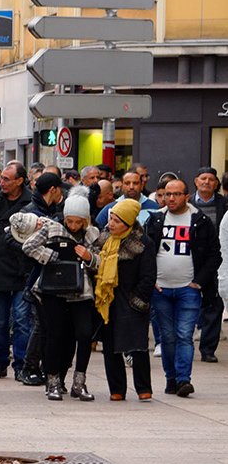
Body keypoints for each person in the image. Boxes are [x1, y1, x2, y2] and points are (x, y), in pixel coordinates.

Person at [14, 197, 100, 401]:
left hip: (81, 291)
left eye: (78, 222)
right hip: (53, 289)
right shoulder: (52, 228)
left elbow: (100, 261)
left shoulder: (92, 233)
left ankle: (79, 381)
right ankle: (52, 381)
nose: (74, 225)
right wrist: (51, 256)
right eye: (70, 221)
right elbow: (29, 246)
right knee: (54, 335)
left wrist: (89, 257)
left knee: (84, 334)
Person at [146, 176, 221, 397]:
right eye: (167, 194)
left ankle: (183, 380)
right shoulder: (156, 219)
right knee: (167, 337)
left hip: (189, 289)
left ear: (186, 196)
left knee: (184, 335)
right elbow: (145, 252)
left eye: (176, 194)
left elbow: (214, 255)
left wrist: (199, 282)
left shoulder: (200, 220)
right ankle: (171, 378)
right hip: (161, 289)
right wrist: (151, 280)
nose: (170, 198)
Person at [94, 198, 157, 401]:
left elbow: (148, 276)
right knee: (110, 347)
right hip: (109, 299)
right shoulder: (103, 239)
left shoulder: (143, 243)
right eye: (111, 218)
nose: (111, 224)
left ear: (129, 223)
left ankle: (143, 388)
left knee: (137, 346)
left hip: (131, 299)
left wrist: (137, 299)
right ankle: (117, 389)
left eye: (117, 221)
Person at [0, 161, 36, 381]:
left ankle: (21, 364)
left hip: (22, 268)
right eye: (0, 178)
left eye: (6, 179)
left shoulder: (30, 202)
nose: (1, 182)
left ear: (20, 181)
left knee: (22, 319)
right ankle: (1, 361)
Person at [190, 168, 227, 362]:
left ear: (216, 183)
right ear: (196, 181)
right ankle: (184, 343)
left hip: (216, 259)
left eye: (211, 179)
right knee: (189, 302)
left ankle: (208, 349)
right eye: (203, 178)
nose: (206, 182)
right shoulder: (187, 203)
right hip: (191, 260)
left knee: (214, 304)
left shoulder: (224, 204)